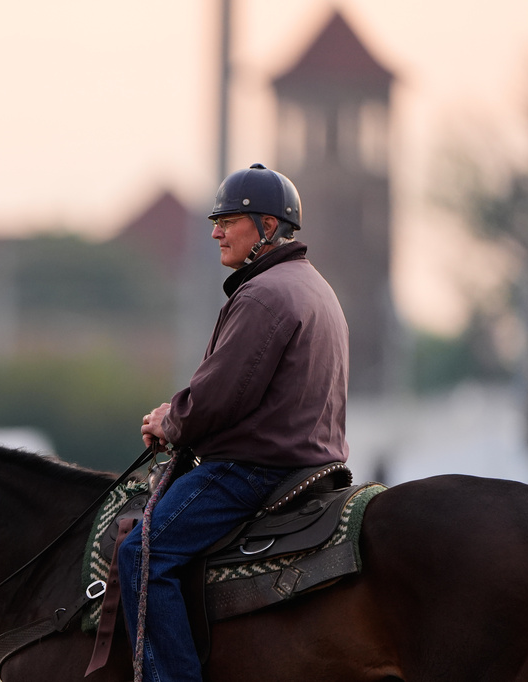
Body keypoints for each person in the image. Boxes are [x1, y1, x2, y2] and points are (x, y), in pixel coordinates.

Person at [117, 163, 350, 681]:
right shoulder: (313, 287)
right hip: (311, 463)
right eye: (215, 220)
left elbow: (219, 397)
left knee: (141, 556)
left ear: (267, 228)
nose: (216, 231)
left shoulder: (265, 294)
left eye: (229, 220)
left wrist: (167, 420)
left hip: (252, 470)